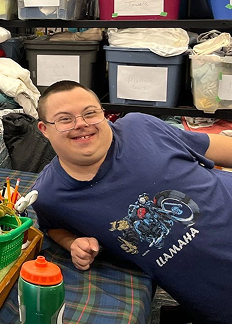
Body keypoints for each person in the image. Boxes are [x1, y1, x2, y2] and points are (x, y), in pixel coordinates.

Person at [31, 80, 232, 324]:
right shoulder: (49, 195)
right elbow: (53, 226)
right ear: (44, 128)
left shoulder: (141, 126)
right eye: (65, 119)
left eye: (90, 113)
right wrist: (73, 242)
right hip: (219, 298)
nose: (81, 124)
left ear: (103, 114)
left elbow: (218, 147)